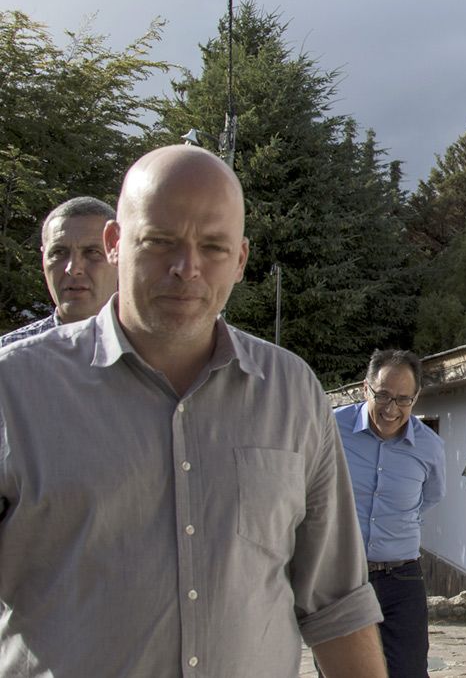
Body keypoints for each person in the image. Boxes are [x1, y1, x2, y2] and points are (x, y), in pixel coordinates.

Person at [0, 145, 386, 676]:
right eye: (160, 243)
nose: (188, 269)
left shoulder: (292, 393)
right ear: (115, 243)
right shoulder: (14, 390)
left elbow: (337, 604)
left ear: (242, 259)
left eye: (213, 247)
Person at [334, 348, 447, 677]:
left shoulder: (429, 447)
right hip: (343, 577)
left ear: (416, 398)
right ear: (364, 387)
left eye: (403, 399)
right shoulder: (330, 429)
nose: (391, 409)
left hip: (402, 579)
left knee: (409, 671)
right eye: (382, 395)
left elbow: (430, 496)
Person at [0, 196, 117, 346]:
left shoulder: (152, 355)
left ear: (120, 257)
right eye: (59, 253)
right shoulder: (9, 358)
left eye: (92, 252)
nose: (73, 269)